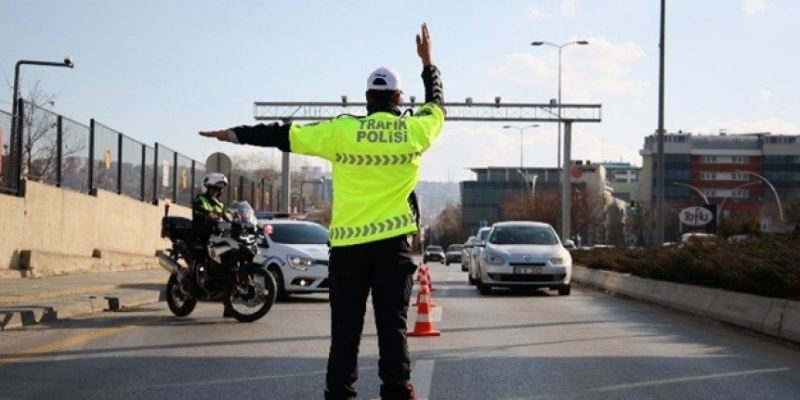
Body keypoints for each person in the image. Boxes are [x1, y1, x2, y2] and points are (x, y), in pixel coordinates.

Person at [199, 23, 444, 400]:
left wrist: (234, 133)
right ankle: (397, 391)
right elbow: (437, 105)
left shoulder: (340, 131)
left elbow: (284, 134)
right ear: (398, 97)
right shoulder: (415, 131)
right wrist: (428, 64)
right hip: (393, 248)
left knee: (345, 331)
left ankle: (340, 394)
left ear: (367, 98)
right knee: (391, 328)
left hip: (347, 250)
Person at [191, 172, 233, 317]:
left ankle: (229, 306)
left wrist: (233, 219)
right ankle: (195, 283)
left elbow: (226, 217)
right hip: (201, 237)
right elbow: (198, 208)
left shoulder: (219, 204)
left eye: (218, 189)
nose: (216, 191)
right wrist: (207, 214)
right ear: (207, 188)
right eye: (214, 188)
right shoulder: (200, 199)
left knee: (228, 268)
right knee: (201, 259)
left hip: (216, 238)